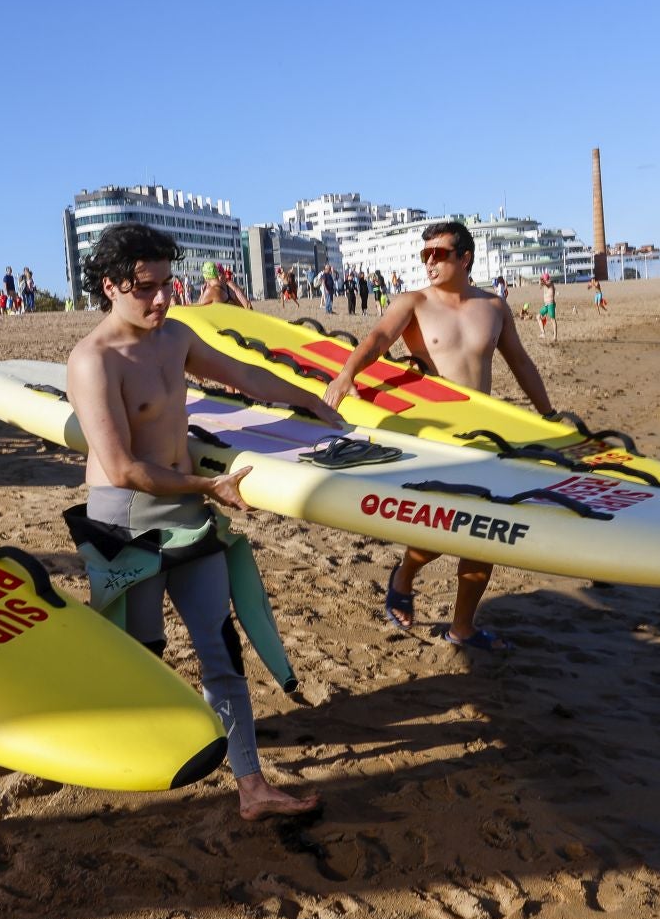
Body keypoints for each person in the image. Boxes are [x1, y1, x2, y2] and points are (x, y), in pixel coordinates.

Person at [67, 222, 343, 820]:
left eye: (168, 284)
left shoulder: (175, 336)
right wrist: (209, 486)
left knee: (218, 645)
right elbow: (122, 468)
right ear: (112, 286)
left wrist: (308, 399)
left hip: (189, 510)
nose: (163, 298)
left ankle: (252, 787)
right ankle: (132, 762)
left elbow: (244, 375)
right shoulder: (93, 361)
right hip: (128, 521)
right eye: (147, 288)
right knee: (141, 652)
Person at [322, 221, 553, 652]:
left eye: (439, 254)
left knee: (486, 532)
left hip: (483, 434)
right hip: (434, 434)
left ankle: (462, 627)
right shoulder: (413, 302)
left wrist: (549, 415)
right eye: (424, 254)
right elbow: (377, 338)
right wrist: (346, 374)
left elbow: (521, 363)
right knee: (442, 530)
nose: (429, 262)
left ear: (465, 257)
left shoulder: (494, 307)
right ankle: (404, 575)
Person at [536, 272, 559, 341]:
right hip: (546, 305)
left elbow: (547, 284)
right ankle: (543, 333)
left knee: (552, 319)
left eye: (544, 278)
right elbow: (540, 286)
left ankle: (555, 337)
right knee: (538, 316)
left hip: (551, 304)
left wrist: (543, 281)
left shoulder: (550, 283)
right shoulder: (545, 284)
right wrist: (540, 280)